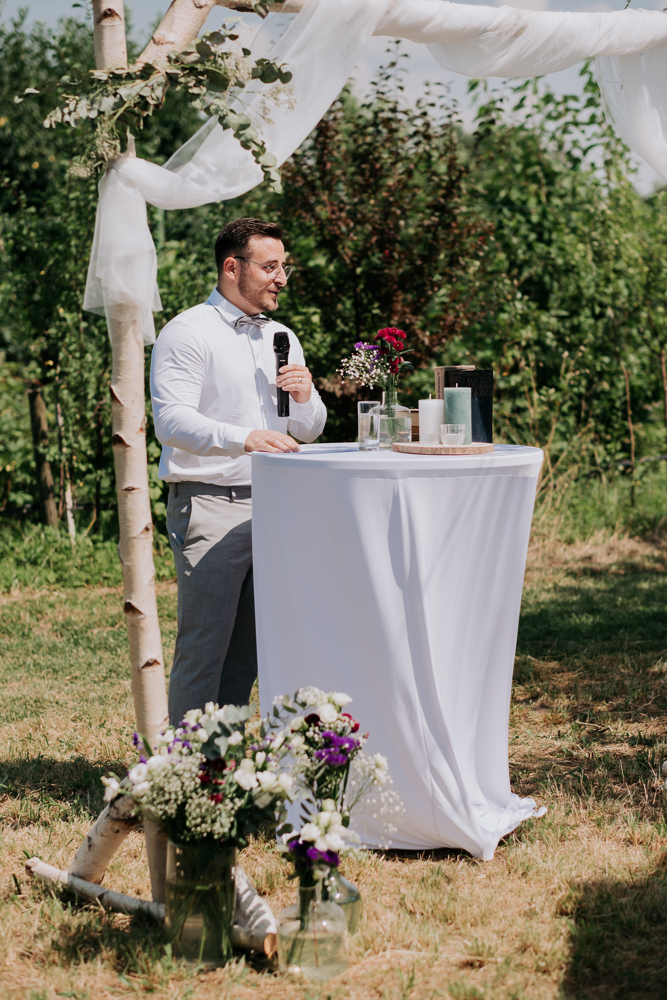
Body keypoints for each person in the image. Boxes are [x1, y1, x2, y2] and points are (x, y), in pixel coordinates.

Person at [150, 217, 327, 725]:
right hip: (210, 502)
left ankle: (219, 764)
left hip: (274, 505)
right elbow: (171, 422)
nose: (281, 278)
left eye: (283, 268)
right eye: (270, 267)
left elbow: (308, 429)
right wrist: (241, 438)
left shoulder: (281, 336)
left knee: (248, 650)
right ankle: (181, 775)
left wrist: (304, 395)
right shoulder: (188, 331)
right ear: (233, 267)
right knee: (204, 649)